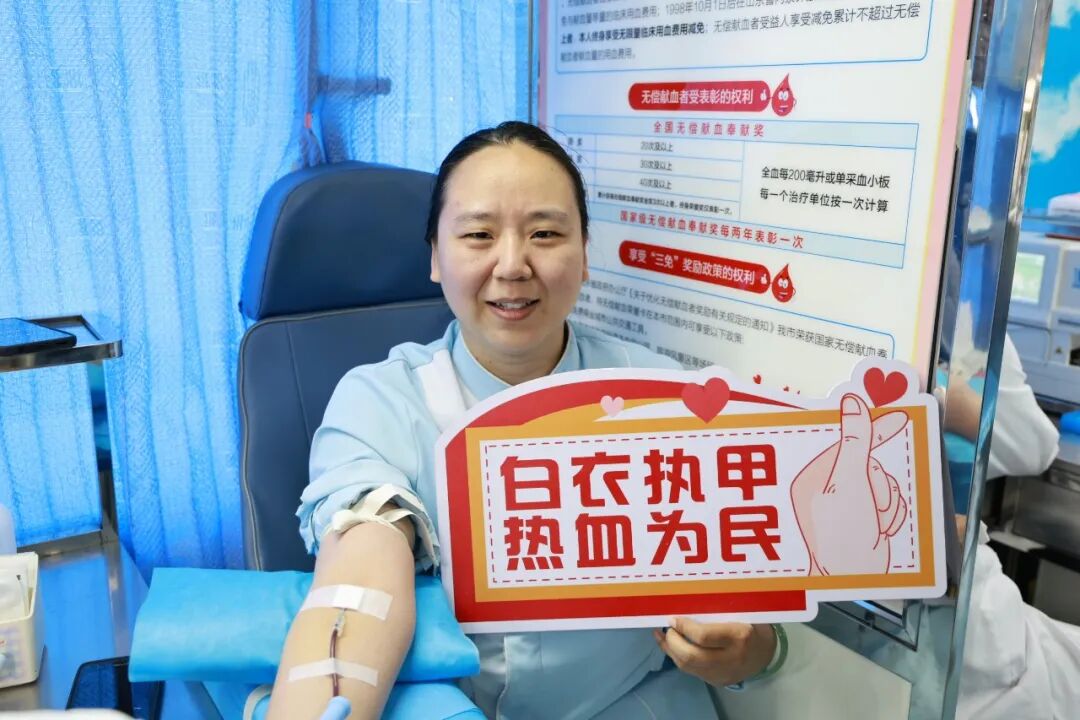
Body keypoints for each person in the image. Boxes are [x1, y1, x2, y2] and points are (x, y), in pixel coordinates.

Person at [265, 121, 783, 720]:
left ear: (584, 253)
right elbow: (359, 582)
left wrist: (753, 653)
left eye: (545, 233)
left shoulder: (669, 400)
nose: (512, 265)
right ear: (435, 256)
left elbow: (751, 613)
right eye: (478, 234)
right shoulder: (381, 401)